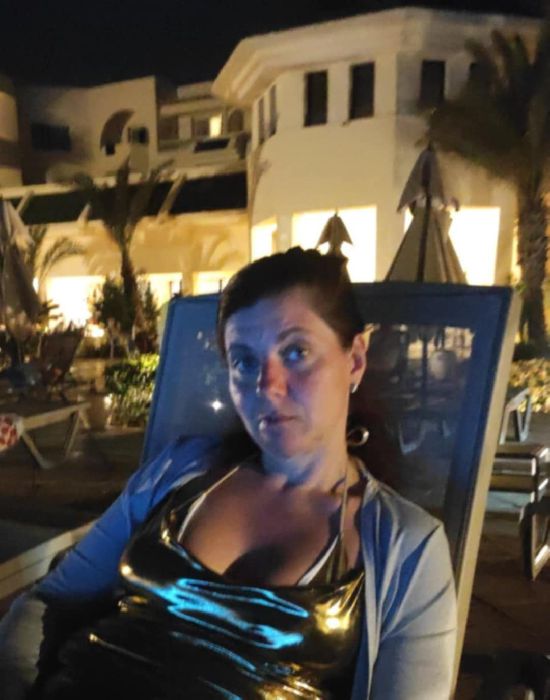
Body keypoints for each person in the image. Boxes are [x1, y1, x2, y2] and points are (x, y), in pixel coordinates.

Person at [0, 248, 456, 699]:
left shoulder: (405, 548)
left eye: (296, 352)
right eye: (244, 361)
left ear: (354, 359)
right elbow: (50, 598)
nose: (267, 386)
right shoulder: (181, 473)